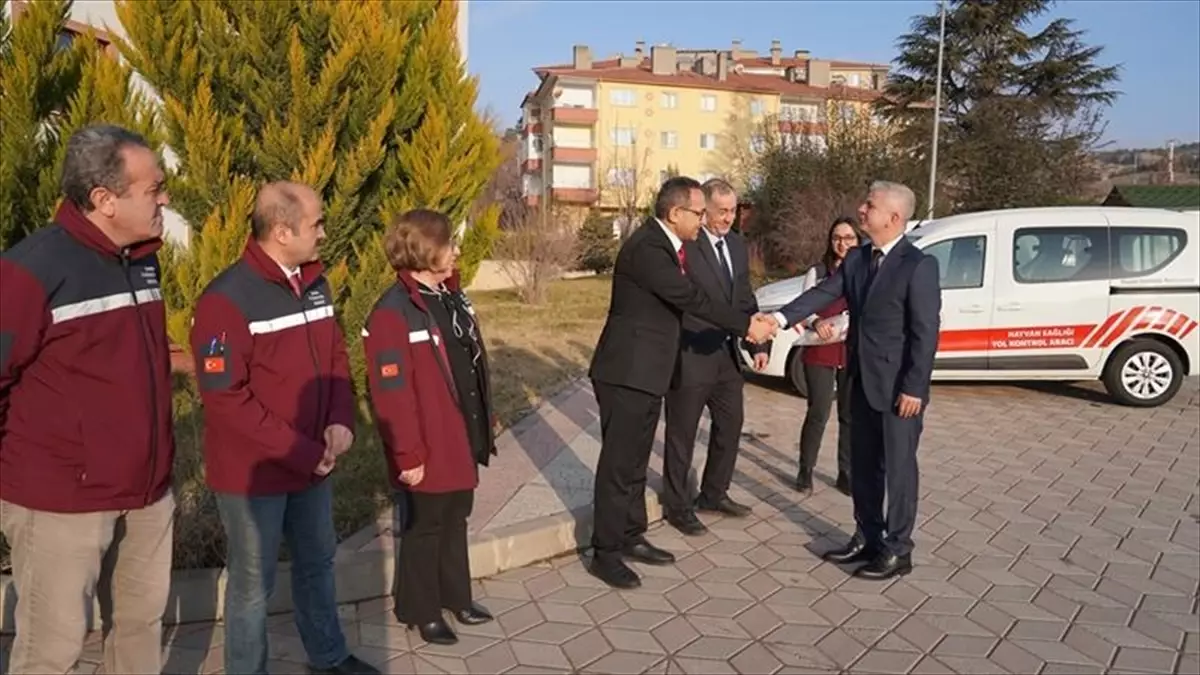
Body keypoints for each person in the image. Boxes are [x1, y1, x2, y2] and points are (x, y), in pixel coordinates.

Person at [0, 124, 175, 675]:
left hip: (147, 493)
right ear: (105, 199)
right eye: (154, 188)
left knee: (139, 631)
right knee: (52, 652)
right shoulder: (30, 270)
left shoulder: (142, 259)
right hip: (61, 505)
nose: (164, 198)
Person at [189, 182, 378, 675]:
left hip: (314, 463)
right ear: (280, 230)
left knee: (318, 563)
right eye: (316, 223)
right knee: (254, 585)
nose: (323, 232)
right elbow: (225, 397)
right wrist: (298, 449)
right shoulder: (226, 301)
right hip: (256, 474)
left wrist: (340, 416)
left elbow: (335, 356)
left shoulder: (316, 283)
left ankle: (328, 656)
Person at [588, 176, 776, 589]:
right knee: (619, 467)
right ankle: (605, 552)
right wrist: (746, 325)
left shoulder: (668, 245)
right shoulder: (649, 250)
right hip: (626, 374)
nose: (703, 220)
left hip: (649, 372)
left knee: (636, 462)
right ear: (675, 214)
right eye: (697, 213)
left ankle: (631, 534)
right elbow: (692, 299)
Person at [767, 181, 940, 580]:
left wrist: (915, 387)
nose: (861, 210)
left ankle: (898, 550)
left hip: (899, 390)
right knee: (863, 466)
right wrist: (777, 320)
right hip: (859, 380)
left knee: (897, 469)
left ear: (894, 218)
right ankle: (867, 537)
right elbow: (821, 294)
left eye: (870, 206)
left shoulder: (918, 266)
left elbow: (925, 332)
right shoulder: (859, 259)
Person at [362, 209, 496, 646]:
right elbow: (391, 395)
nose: (457, 251)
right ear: (424, 249)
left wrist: (485, 412)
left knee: (456, 517)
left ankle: (457, 595)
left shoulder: (450, 297)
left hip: (461, 431)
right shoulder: (393, 312)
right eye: (449, 244)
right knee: (426, 526)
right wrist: (408, 454)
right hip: (428, 440)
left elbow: (468, 363)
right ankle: (421, 610)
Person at [662, 178, 770, 536]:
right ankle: (677, 506)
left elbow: (743, 297)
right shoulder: (687, 247)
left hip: (725, 354)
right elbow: (686, 301)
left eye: (733, 210)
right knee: (683, 434)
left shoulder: (738, 246)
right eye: (721, 211)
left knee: (730, 424)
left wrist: (758, 344)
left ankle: (714, 493)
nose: (728, 218)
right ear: (703, 210)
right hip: (691, 352)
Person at [795, 217, 860, 496]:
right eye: (837, 237)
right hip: (821, 346)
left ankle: (845, 472)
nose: (842, 243)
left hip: (852, 349)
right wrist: (814, 322)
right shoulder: (819, 271)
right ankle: (805, 470)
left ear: (858, 240)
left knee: (849, 414)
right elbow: (803, 305)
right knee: (819, 411)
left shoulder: (866, 269)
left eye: (848, 238)